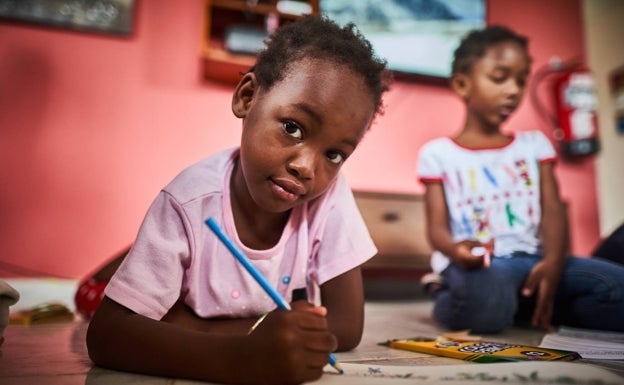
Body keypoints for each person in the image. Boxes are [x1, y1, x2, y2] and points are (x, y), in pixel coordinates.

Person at [86, 15, 391, 385]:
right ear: (247, 97)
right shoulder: (188, 201)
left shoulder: (329, 197)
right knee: (89, 294)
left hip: (197, 319)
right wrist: (242, 356)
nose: (307, 167)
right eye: (293, 128)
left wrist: (197, 327)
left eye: (335, 155)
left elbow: (347, 325)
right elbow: (107, 335)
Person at [417, 25, 624, 334]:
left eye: (521, 80)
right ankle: (445, 294)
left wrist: (554, 261)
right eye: (499, 78)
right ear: (462, 85)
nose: (513, 90)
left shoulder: (534, 145)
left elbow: (552, 208)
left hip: (537, 260)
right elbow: (436, 230)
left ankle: (527, 304)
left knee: (616, 287)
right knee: (486, 299)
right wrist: (454, 249)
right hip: (484, 264)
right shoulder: (437, 154)